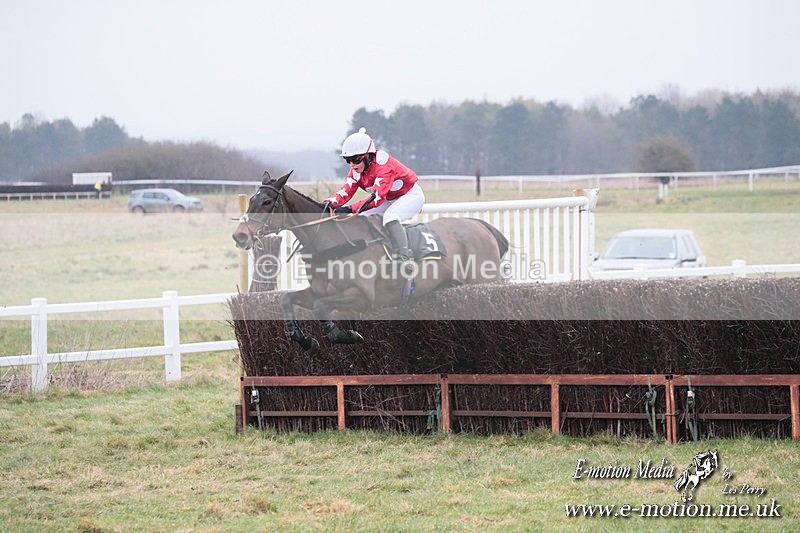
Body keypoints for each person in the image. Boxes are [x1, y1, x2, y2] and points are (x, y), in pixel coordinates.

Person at [324, 127, 425, 262]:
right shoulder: (356, 169)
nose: (352, 165)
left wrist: (349, 208)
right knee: (361, 218)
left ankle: (405, 257)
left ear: (367, 156)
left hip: (410, 196)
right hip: (389, 199)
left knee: (390, 217)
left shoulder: (384, 166)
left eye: (355, 159)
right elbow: (346, 191)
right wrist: (327, 204)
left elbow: (376, 198)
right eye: (348, 160)